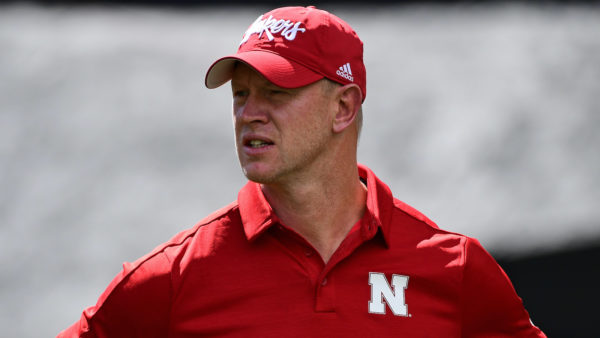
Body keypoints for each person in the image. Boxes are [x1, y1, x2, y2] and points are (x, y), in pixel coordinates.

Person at [59, 6, 546, 337]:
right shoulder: (174, 277)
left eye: (276, 91)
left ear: (343, 107)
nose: (250, 112)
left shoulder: (455, 270)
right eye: (240, 95)